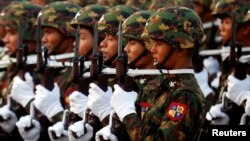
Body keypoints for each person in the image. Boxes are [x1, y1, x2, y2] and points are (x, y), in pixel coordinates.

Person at [94, 6, 206, 141]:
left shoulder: (185, 94)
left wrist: (127, 113)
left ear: (181, 46)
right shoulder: (165, 86)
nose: (152, 49)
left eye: (158, 43)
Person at [15, 1, 80, 141]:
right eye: (43, 33)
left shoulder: (81, 75)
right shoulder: (51, 69)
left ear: (68, 31)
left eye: (49, 32)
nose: (43, 39)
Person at [0, 1, 42, 140]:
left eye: (12, 33)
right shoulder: (13, 66)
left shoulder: (43, 73)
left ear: (30, 34)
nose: (5, 39)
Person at [206, 0, 250, 125]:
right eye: (221, 22)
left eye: (226, 22)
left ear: (246, 28)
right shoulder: (230, 58)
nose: (221, 27)